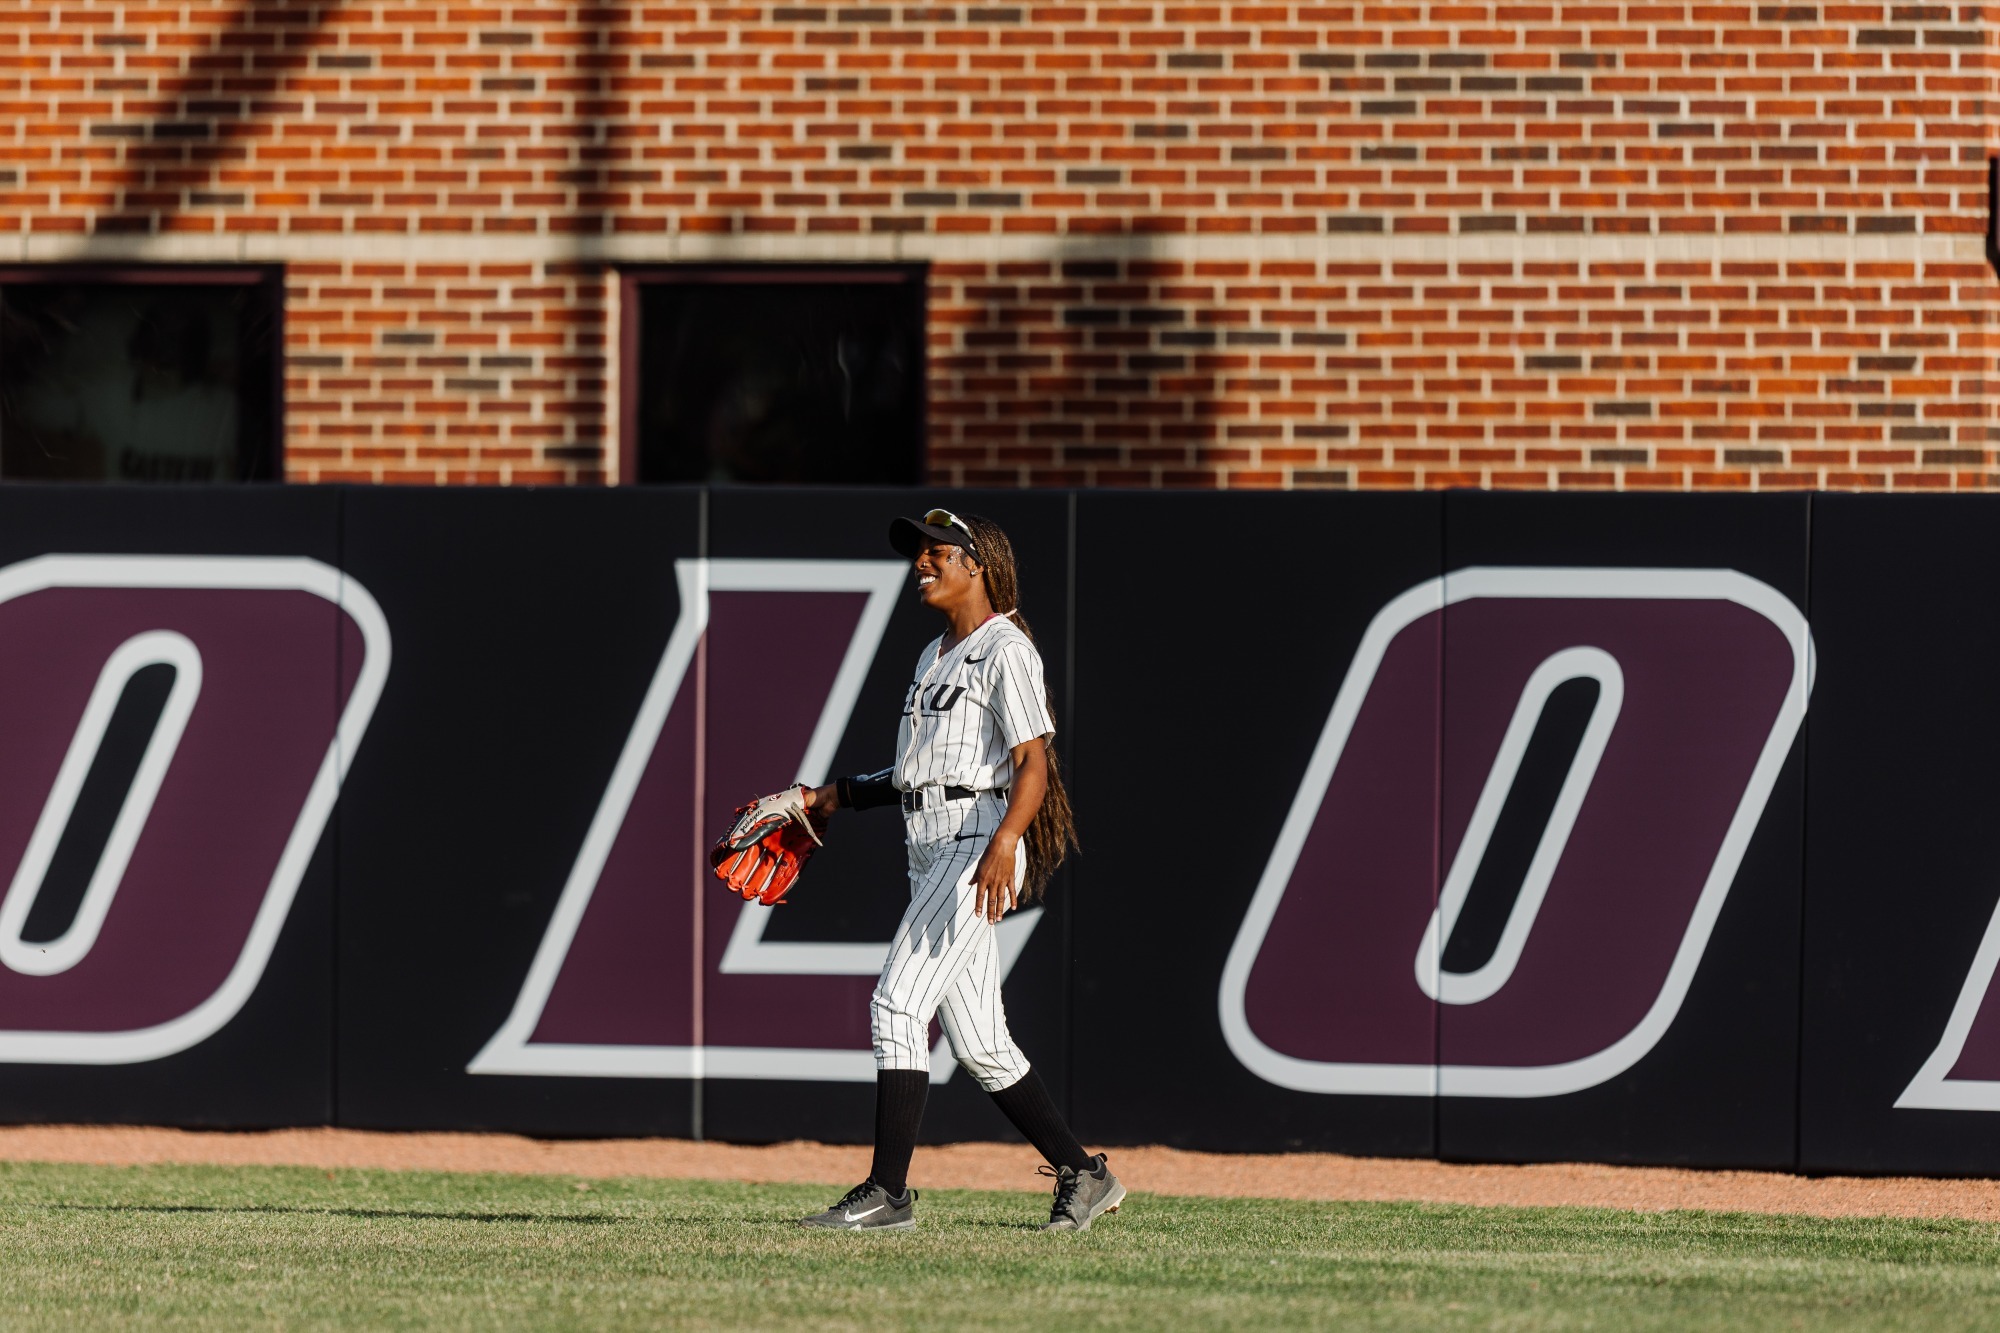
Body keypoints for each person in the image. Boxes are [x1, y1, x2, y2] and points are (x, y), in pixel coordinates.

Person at [793, 508, 1123, 1233]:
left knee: (896, 1004)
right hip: (930, 837)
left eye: (937, 552)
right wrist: (831, 795)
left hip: (977, 838)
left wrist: (1007, 839)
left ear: (977, 565)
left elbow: (1032, 762)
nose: (922, 563)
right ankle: (1086, 1173)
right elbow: (916, 775)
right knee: (979, 1043)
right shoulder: (932, 656)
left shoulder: (1007, 648)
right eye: (918, 553)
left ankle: (889, 1192)